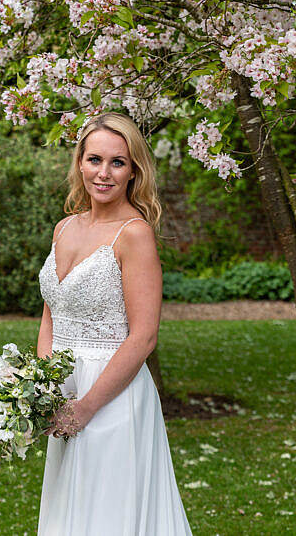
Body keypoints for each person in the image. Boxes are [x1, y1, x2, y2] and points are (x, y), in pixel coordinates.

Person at [37, 113, 192, 534]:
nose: (103, 173)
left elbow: (144, 337)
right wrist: (44, 387)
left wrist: (86, 406)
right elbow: (52, 313)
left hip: (111, 396)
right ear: (80, 163)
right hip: (63, 388)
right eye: (94, 159)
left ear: (133, 171)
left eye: (117, 162)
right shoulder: (64, 227)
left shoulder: (134, 234)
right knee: (71, 509)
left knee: (109, 515)